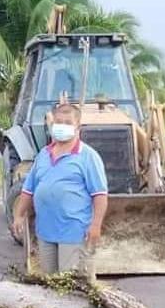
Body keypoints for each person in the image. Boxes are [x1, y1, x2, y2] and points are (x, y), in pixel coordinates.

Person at [11, 103, 108, 279]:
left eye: (68, 122)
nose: (62, 126)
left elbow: (100, 195)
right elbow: (28, 190)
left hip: (74, 232)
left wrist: (95, 226)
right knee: (50, 283)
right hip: (46, 232)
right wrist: (19, 215)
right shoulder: (43, 155)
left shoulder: (88, 156)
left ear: (78, 126)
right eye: (58, 122)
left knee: (73, 284)